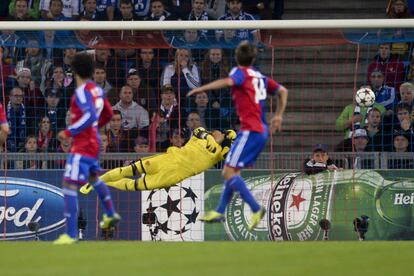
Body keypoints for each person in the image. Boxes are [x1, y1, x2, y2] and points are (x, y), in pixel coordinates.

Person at [187, 41, 288, 230]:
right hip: (261, 131)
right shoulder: (260, 77)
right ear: (254, 58)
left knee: (227, 172)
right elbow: (283, 91)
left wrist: (202, 88)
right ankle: (219, 211)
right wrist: (279, 115)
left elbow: (227, 82)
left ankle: (256, 208)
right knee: (233, 172)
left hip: (250, 131)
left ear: (236, 57)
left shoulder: (238, 72)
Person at [54, 53, 121, 245]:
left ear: (74, 70)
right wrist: (94, 127)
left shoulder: (82, 91)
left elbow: (91, 115)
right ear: (92, 71)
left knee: (69, 185)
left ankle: (71, 234)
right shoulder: (97, 90)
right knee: (93, 178)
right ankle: (111, 213)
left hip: (82, 145)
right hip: (95, 142)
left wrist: (69, 131)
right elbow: (107, 113)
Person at [80, 127, 236, 194]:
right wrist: (218, 137)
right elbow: (198, 131)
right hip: (168, 159)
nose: (218, 132)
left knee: (134, 185)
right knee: (128, 170)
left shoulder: (218, 155)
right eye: (218, 130)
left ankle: (102, 183)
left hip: (172, 176)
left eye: (221, 132)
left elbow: (228, 154)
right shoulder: (201, 134)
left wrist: (229, 138)